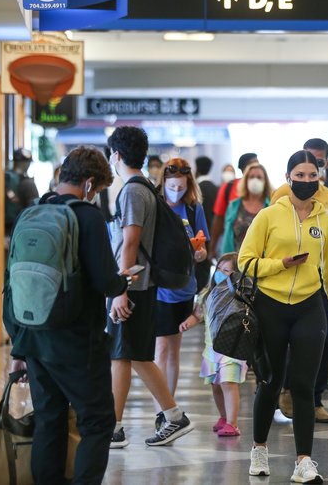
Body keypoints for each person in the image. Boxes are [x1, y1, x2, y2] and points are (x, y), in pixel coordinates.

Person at [4, 146, 129, 485]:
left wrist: (18, 347)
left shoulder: (32, 212)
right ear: (89, 184)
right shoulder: (87, 217)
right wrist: (124, 279)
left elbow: (12, 282)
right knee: (98, 422)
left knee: (49, 418)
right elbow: (105, 281)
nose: (97, 195)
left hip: (33, 337)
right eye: (99, 189)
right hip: (76, 340)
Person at [240, 150, 328, 484]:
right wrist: (280, 264)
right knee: (270, 382)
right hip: (270, 306)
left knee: (303, 387)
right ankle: (259, 449)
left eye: (311, 175)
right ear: (288, 177)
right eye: (298, 175)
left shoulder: (326, 221)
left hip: (309, 308)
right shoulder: (268, 216)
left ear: (320, 177)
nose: (305, 181)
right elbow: (245, 262)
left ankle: (304, 461)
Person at [106, 126, 194, 448]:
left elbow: (130, 242)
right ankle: (171, 416)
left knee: (125, 353)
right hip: (141, 285)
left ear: (116, 155)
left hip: (133, 287)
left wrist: (120, 290)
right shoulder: (145, 188)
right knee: (132, 355)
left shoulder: (132, 191)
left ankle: (117, 428)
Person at [272, 139, 328, 424]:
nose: (310, 174)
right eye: (304, 169)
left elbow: (326, 239)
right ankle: (284, 390)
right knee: (287, 342)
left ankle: (315, 398)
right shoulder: (280, 195)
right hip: (283, 280)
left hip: (317, 279)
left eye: (318, 163)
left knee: (325, 336)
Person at [152, 158, 210, 418]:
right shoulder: (155, 205)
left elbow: (203, 246)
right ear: (163, 183)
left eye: (181, 186)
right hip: (158, 287)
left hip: (184, 286)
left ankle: (168, 406)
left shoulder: (193, 208)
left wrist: (200, 254)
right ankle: (162, 409)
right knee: (161, 348)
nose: (176, 191)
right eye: (172, 185)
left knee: (173, 348)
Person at [179, 253, 247, 438]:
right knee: (216, 386)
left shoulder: (239, 295)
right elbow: (198, 314)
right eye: (219, 269)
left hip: (231, 348)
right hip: (211, 350)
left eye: (226, 271)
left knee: (228, 383)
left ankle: (233, 423)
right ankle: (223, 417)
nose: (220, 274)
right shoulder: (208, 293)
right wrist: (189, 322)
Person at [210, 153, 259, 257]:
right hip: (234, 250)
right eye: (251, 165)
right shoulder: (229, 187)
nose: (255, 167)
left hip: (260, 253)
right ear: (242, 169)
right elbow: (218, 218)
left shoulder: (264, 189)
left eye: (257, 164)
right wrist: (212, 247)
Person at [270, 138, 328, 214]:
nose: (312, 165)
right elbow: (269, 220)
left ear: (327, 163)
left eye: (319, 162)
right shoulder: (283, 191)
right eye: (308, 159)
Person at [220, 163, 272, 255]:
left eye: (259, 177)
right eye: (251, 177)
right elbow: (227, 237)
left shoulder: (271, 207)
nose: (255, 180)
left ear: (265, 182)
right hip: (235, 263)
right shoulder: (233, 206)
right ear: (246, 180)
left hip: (262, 265)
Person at [4, 148, 40, 240]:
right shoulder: (28, 183)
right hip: (20, 231)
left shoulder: (5, 179)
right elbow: (35, 211)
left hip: (3, 229)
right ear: (27, 164)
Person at [196, 155, 219, 230]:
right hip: (213, 229)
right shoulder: (215, 188)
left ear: (197, 168)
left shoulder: (195, 188)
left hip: (199, 230)